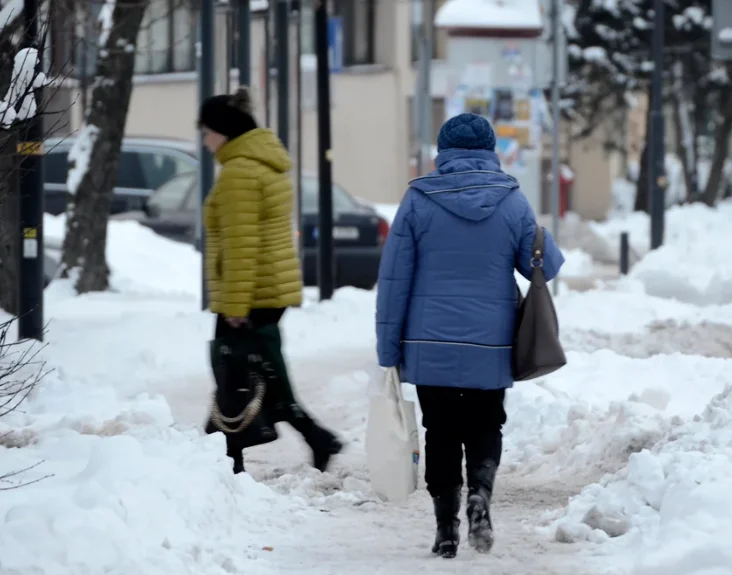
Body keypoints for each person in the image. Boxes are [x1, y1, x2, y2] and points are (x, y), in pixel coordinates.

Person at [375, 113, 564, 558]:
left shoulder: (418, 199)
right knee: (485, 424)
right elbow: (548, 266)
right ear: (490, 152)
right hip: (490, 343)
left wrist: (389, 350)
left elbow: (394, 279)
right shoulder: (512, 201)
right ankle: (481, 492)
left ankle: (445, 527)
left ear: (442, 153)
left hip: (429, 343)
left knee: (439, 429)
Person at [199, 86, 343, 475]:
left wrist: (234, 306)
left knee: (234, 371)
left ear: (225, 130)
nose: (205, 140)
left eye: (207, 131)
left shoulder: (239, 174)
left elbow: (241, 246)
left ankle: (229, 460)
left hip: (250, 291)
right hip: (268, 288)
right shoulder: (263, 163)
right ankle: (313, 435)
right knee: (259, 369)